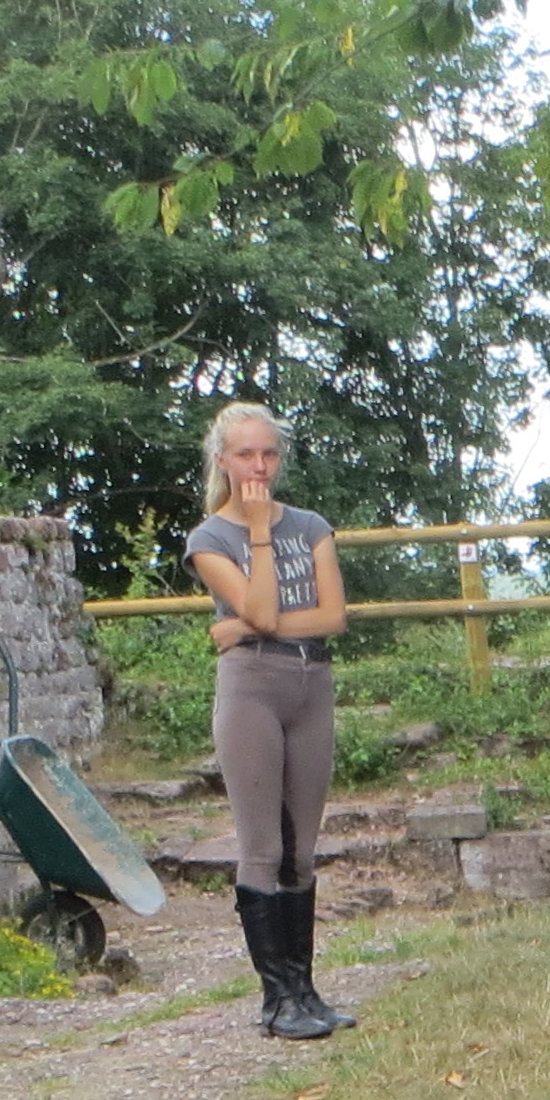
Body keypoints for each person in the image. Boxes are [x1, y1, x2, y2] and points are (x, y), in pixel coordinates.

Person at [181, 402, 353, 1039]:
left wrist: (246, 625)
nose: (259, 466)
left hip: (311, 684)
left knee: (301, 849)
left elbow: (332, 617)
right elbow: (258, 610)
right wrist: (257, 531)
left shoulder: (310, 526)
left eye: (269, 454)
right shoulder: (209, 539)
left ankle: (305, 991)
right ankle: (276, 1001)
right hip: (252, 687)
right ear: (222, 460)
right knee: (263, 847)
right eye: (246, 454)